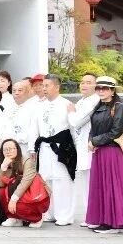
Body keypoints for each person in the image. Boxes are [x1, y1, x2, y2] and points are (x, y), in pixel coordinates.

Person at [86, 76, 123, 234]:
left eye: (105, 88)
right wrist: (91, 141)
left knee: (112, 186)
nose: (101, 91)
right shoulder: (98, 105)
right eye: (98, 88)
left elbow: (116, 131)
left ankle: (114, 223)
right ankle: (107, 220)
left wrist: (95, 141)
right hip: (100, 151)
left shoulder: (119, 106)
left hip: (112, 152)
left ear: (113, 90)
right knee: (101, 186)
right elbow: (93, 127)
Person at [34, 75, 77, 226]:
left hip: (61, 147)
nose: (44, 89)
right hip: (44, 148)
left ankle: (65, 215)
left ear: (57, 87)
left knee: (62, 180)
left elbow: (73, 128)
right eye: (43, 86)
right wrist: (33, 149)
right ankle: (49, 212)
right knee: (46, 180)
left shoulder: (67, 104)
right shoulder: (39, 106)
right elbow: (35, 128)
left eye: (47, 86)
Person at [68, 74, 100, 227]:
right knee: (86, 184)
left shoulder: (94, 101)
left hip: (90, 148)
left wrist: (71, 112)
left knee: (91, 184)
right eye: (82, 82)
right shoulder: (83, 101)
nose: (84, 85)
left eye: (89, 82)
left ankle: (93, 216)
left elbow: (76, 121)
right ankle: (91, 215)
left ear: (96, 85)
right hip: (80, 147)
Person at [0, 138, 49, 227]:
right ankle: (15, 218)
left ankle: (37, 217)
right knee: (2, 191)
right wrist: (3, 167)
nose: (8, 151)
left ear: (17, 149)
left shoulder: (27, 160)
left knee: (21, 204)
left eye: (11, 149)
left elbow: (26, 181)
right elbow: (0, 184)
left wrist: (13, 199)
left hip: (33, 192)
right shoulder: (6, 161)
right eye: (5, 149)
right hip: (18, 190)